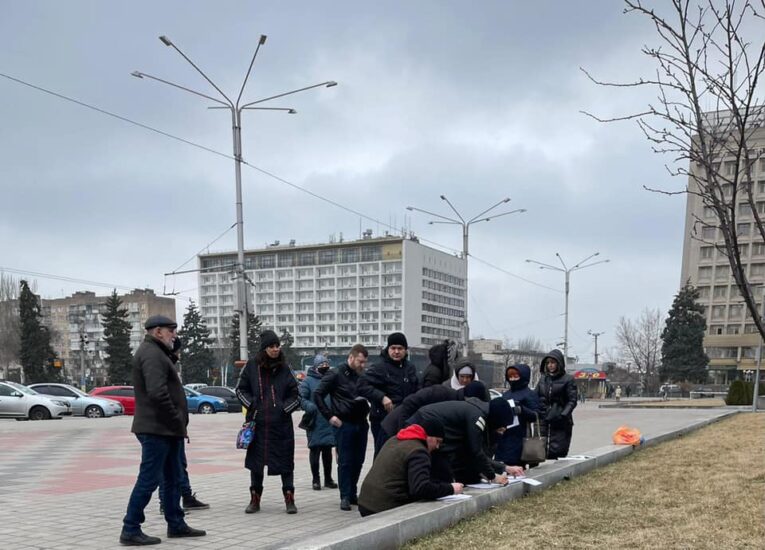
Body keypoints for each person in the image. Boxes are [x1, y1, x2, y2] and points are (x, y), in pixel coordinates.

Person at [120, 315, 206, 546]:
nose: (174, 335)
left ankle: (176, 524)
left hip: (166, 429)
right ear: (157, 331)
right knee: (149, 480)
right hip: (157, 428)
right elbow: (157, 393)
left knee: (172, 478)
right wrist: (176, 418)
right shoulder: (151, 354)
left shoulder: (158, 353)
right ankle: (130, 528)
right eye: (171, 331)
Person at [236, 330, 301, 515]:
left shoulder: (285, 368)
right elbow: (240, 390)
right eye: (271, 346)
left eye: (277, 346)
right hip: (257, 425)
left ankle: (289, 499)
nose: (275, 349)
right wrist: (253, 405)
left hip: (281, 426)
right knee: (256, 465)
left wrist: (283, 408)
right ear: (264, 348)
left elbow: (296, 394)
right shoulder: (251, 366)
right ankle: (255, 500)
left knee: (286, 463)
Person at [406, 397, 523, 485]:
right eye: (500, 428)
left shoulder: (479, 413)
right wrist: (492, 476)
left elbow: (473, 453)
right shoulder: (477, 417)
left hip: (430, 428)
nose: (500, 432)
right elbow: (476, 452)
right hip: (423, 426)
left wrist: (504, 468)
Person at [357, 418, 461, 517]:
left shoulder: (394, 439)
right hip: (383, 507)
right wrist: (451, 488)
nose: (437, 446)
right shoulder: (419, 452)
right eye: (437, 441)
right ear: (428, 436)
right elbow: (420, 489)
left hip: (364, 502)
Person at [313, 344, 371, 511]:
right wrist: (330, 416)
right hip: (344, 423)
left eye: (365, 362)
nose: (363, 365)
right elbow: (317, 394)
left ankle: (352, 493)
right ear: (351, 358)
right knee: (345, 461)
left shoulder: (361, 375)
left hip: (361, 423)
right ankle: (345, 495)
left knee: (358, 460)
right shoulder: (335, 374)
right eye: (360, 361)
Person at [158, 336, 209, 514]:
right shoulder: (162, 365)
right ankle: (166, 503)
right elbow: (162, 397)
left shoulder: (171, 366)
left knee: (180, 464)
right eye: (178, 350)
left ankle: (186, 496)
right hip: (167, 427)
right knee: (168, 467)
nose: (179, 354)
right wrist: (175, 418)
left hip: (177, 426)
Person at [358, 332, 419, 456]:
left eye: (400, 348)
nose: (396, 352)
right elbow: (361, 386)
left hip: (404, 418)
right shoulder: (379, 367)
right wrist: (382, 397)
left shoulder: (410, 368)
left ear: (405, 350)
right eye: (393, 348)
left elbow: (416, 389)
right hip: (382, 419)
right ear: (388, 349)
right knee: (383, 454)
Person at [379, 380, 489, 445]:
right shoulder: (440, 393)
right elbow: (409, 402)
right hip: (392, 428)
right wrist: (404, 432)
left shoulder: (459, 408)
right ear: (470, 399)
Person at [298, 354, 337, 491]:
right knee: (315, 450)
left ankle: (328, 478)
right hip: (314, 420)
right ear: (315, 367)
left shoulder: (331, 379)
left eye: (326, 365)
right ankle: (316, 479)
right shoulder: (308, 381)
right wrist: (310, 407)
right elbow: (301, 399)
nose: (324, 367)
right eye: (321, 365)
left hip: (328, 420)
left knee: (327, 450)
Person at [494, 364, 542, 468]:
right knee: (502, 466)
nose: (513, 379)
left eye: (516, 376)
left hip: (521, 437)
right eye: (510, 376)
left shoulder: (529, 394)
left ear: (523, 376)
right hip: (504, 435)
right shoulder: (506, 394)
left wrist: (521, 410)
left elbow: (537, 415)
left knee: (518, 468)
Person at [536, 350, 578, 460]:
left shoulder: (568, 379)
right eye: (548, 363)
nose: (550, 365)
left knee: (559, 451)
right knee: (542, 450)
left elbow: (572, 400)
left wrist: (563, 414)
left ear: (559, 363)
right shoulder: (542, 379)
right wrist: (539, 410)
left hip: (561, 421)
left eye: (553, 362)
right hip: (544, 420)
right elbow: (535, 396)